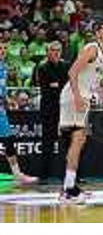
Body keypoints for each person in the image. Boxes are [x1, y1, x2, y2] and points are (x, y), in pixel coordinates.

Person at [58, 20, 103, 203]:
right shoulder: (92, 48)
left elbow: (93, 79)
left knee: (76, 142)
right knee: (77, 140)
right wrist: (78, 97)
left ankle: (68, 186)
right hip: (74, 97)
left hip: (82, 97)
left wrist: (100, 95)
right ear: (97, 33)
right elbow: (72, 72)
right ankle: (69, 190)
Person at [0, 41, 38, 184]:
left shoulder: (4, 67)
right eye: (0, 49)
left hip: (1, 111)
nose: (2, 51)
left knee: (9, 140)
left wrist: (9, 100)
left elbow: (2, 91)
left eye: (4, 48)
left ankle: (17, 174)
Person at [33, 41, 69, 181]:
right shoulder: (42, 68)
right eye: (53, 50)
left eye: (58, 50)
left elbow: (67, 86)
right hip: (49, 110)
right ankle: (44, 175)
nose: (56, 53)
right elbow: (47, 90)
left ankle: (71, 175)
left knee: (69, 143)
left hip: (65, 109)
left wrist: (56, 85)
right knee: (47, 143)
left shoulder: (66, 66)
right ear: (48, 52)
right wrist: (58, 86)